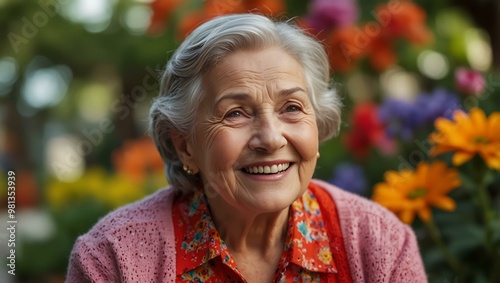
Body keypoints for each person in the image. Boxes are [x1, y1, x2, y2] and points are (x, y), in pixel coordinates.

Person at [66, 14, 426, 282]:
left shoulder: (380, 242)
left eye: (292, 108)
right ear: (185, 145)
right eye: (235, 113)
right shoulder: (112, 259)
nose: (270, 138)